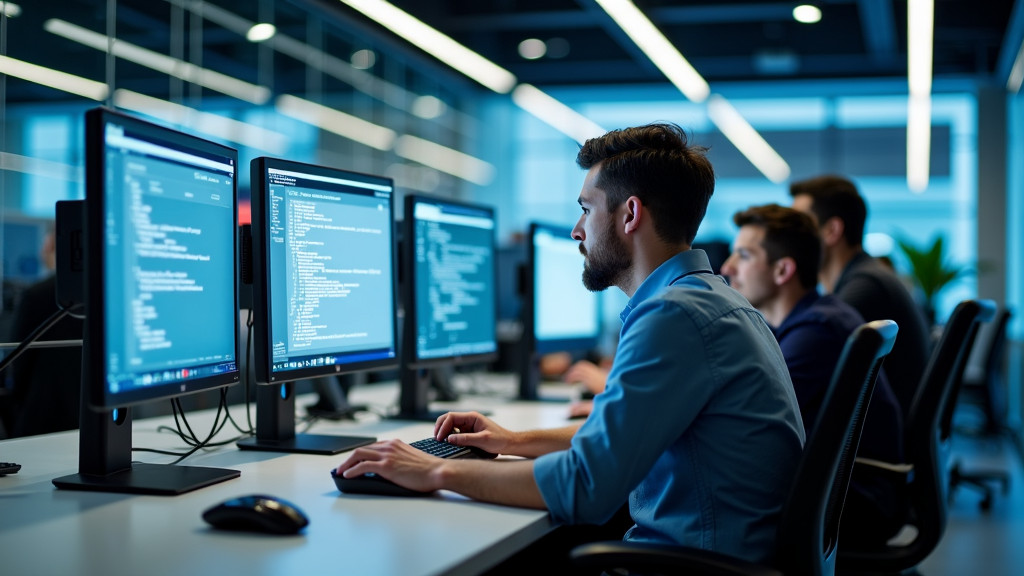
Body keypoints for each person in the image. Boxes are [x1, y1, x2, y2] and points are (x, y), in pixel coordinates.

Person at [336, 123, 805, 565]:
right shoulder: (712, 301)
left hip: (691, 569)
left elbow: (586, 485)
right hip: (718, 556)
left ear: (630, 214)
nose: (576, 231)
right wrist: (511, 441)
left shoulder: (674, 315)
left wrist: (434, 471)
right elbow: (621, 438)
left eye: (585, 209)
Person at [720, 203, 908, 546]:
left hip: (853, 499)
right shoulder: (811, 321)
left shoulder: (816, 332)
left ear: (782, 271)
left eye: (744, 256)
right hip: (849, 489)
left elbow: (746, 421)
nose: (727, 268)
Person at [789, 175, 931, 420]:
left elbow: (808, 358)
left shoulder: (866, 286)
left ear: (832, 230)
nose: (789, 238)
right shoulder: (866, 275)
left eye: (800, 226)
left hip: (878, 444)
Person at [7, 227, 84, 437]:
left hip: (43, 415)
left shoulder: (38, 294)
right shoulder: (108, 292)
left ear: (51, 245)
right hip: (90, 414)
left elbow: (17, 360)